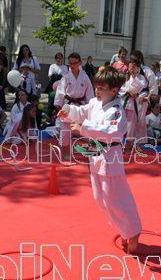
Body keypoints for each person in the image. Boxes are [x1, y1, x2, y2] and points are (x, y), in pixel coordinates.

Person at [58, 66, 142, 253]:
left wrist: (83, 127)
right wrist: (67, 110)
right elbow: (81, 111)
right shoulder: (95, 103)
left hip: (111, 157)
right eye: (96, 86)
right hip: (96, 155)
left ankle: (133, 230)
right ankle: (125, 229)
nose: (97, 90)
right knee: (101, 198)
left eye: (102, 88)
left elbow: (112, 132)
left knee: (116, 198)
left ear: (114, 90)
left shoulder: (117, 110)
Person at [53, 52, 94, 160]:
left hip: (81, 106)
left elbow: (89, 93)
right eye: (70, 63)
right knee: (66, 131)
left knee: (84, 129)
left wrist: (91, 106)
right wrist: (59, 106)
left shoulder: (85, 77)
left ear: (80, 63)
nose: (72, 65)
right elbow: (60, 93)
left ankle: (88, 150)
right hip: (68, 105)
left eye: (74, 63)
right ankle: (66, 152)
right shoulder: (66, 77)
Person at [119, 57, 147, 149]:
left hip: (133, 104)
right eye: (130, 66)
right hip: (123, 102)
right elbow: (120, 88)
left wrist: (132, 91)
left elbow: (139, 89)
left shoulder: (141, 78)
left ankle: (129, 144)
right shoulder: (125, 76)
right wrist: (128, 90)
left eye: (134, 67)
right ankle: (117, 142)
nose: (131, 68)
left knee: (130, 125)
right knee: (120, 123)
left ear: (138, 68)